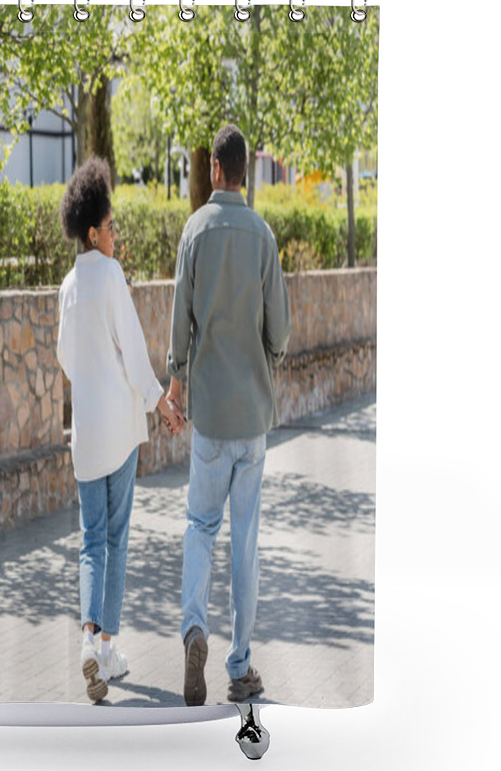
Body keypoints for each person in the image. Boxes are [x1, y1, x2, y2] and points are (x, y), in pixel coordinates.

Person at [166, 125, 291, 706]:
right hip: (254, 418)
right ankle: (240, 666)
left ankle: (195, 630)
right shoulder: (263, 235)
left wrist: (177, 378)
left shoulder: (195, 231)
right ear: (247, 171)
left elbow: (179, 323)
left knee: (200, 527)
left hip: (211, 415)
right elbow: (281, 332)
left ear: (216, 168)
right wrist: (265, 359)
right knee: (245, 542)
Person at [57, 157, 184, 703]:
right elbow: (134, 351)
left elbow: (66, 356)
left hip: (86, 433)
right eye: (111, 227)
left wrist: (92, 379)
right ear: (92, 231)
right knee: (117, 538)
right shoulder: (109, 276)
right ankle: (108, 645)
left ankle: (91, 646)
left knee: (91, 541)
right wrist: (161, 404)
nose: (115, 236)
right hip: (120, 432)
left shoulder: (68, 285)